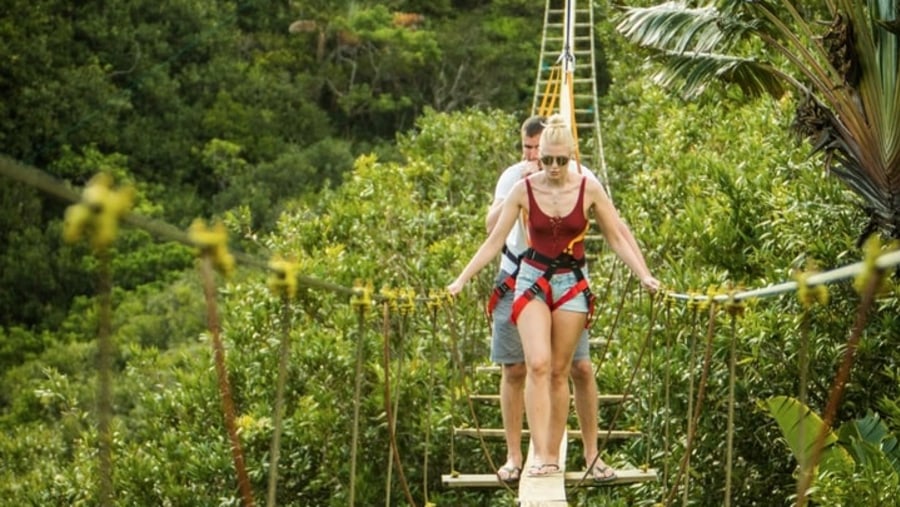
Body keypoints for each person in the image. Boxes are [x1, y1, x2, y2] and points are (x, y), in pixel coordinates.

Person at [449, 113, 659, 478]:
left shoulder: (588, 186)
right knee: (537, 364)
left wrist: (643, 274)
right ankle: (539, 453)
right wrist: (461, 280)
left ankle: (551, 458)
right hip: (530, 277)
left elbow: (616, 234)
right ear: (537, 156)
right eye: (547, 160)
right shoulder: (521, 186)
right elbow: (493, 239)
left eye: (561, 160)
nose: (554, 167)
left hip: (570, 282)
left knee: (562, 371)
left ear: (572, 156)